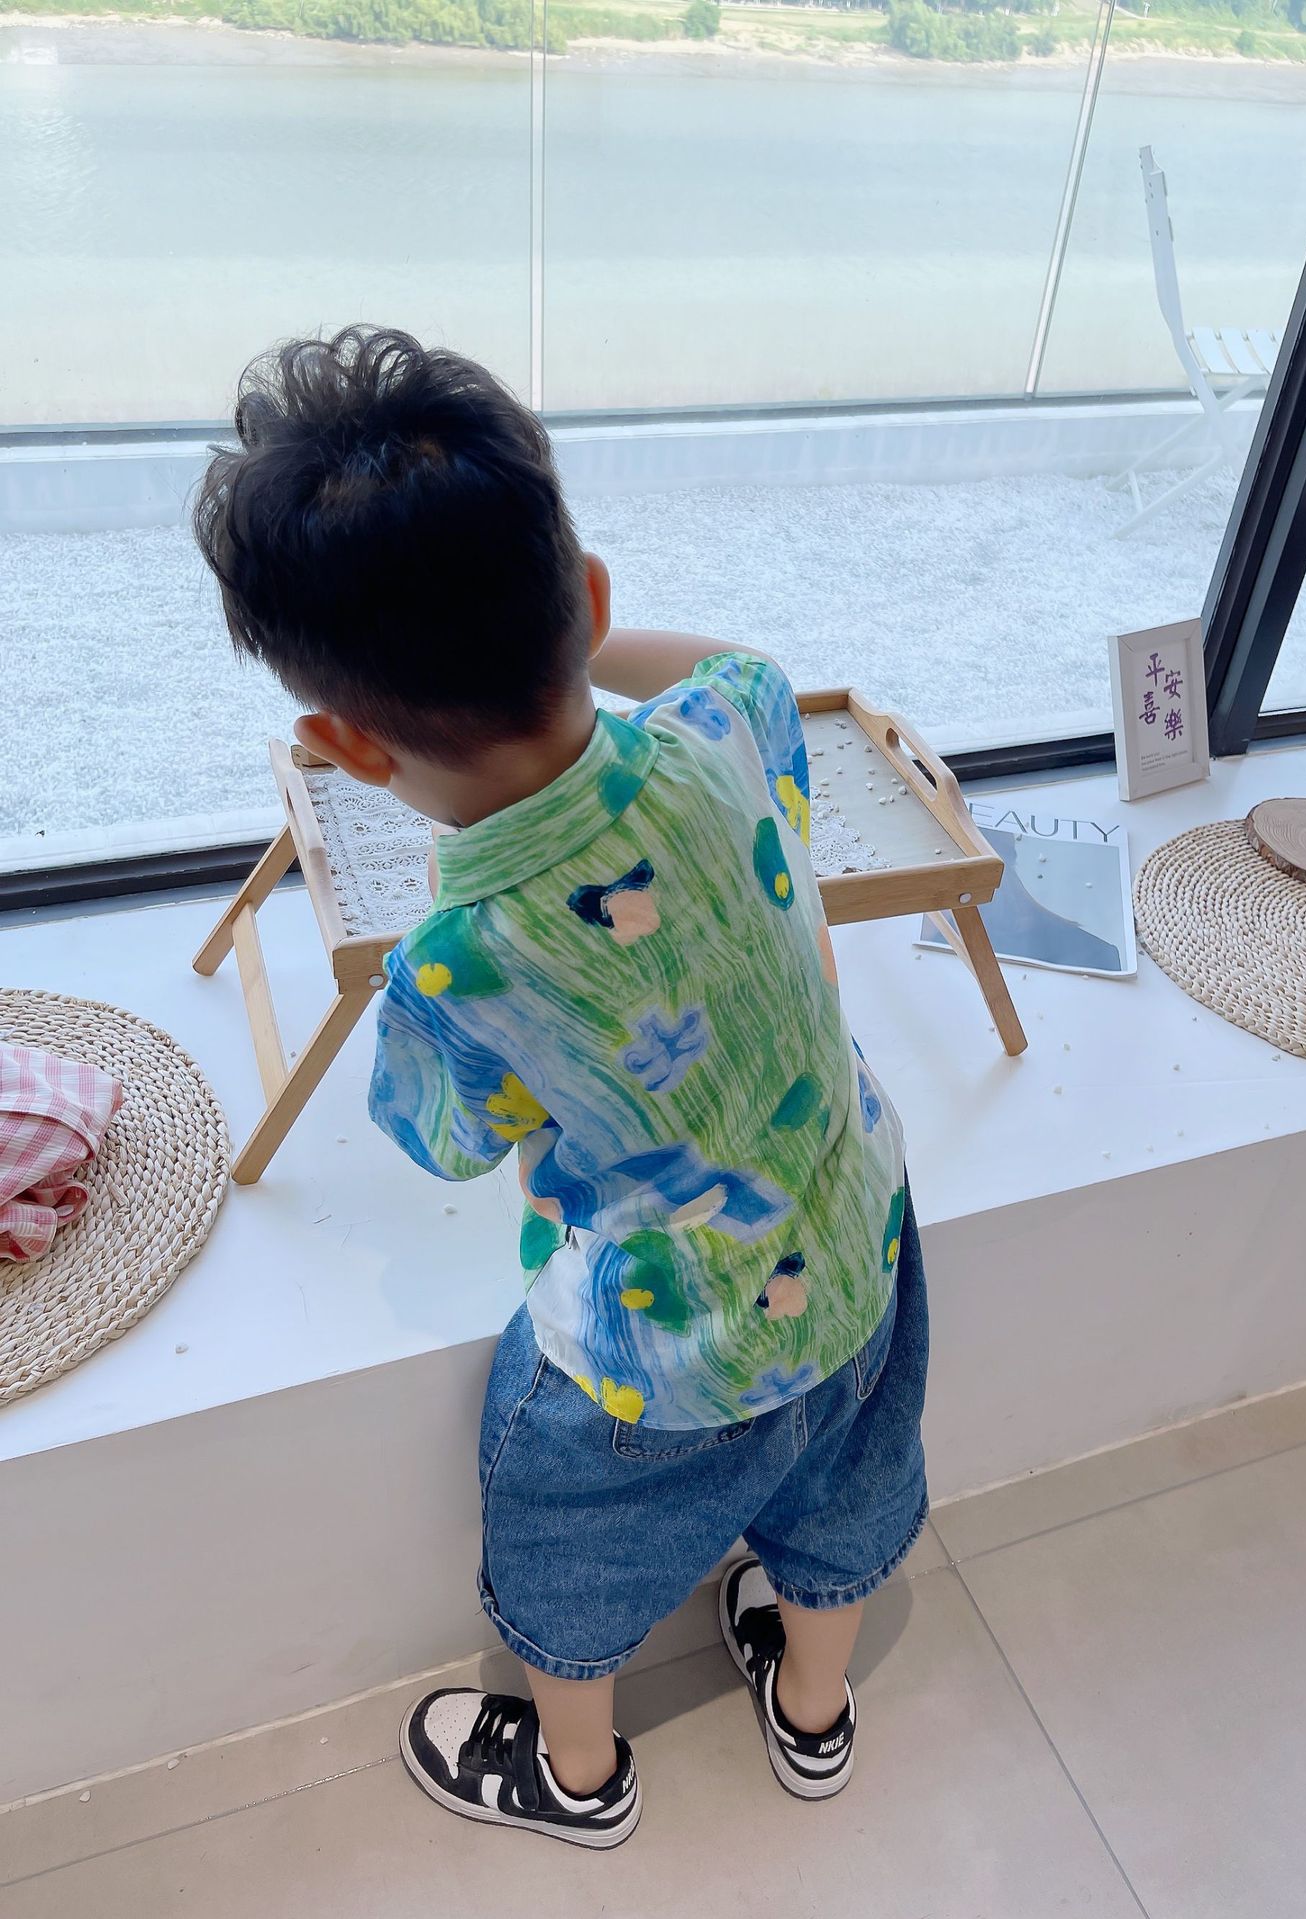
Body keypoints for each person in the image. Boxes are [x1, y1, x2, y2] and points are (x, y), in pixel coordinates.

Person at [194, 326, 929, 1850]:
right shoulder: (724, 733)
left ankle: (578, 1780)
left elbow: (443, 1140)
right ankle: (813, 1716)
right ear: (586, 603)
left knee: (572, 1539)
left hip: (663, 1350)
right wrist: (565, 644)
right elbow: (742, 663)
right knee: (847, 1494)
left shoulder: (460, 957)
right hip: (861, 1246)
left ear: (340, 743)